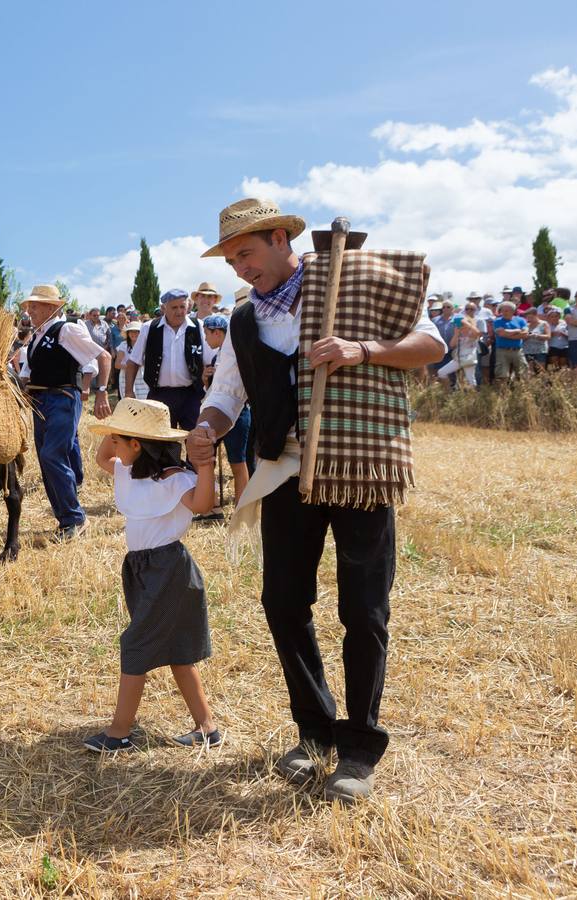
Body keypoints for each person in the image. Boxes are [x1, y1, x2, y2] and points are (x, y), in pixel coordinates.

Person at [190, 198, 445, 803]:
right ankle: (315, 732)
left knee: (364, 609)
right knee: (283, 602)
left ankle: (358, 748)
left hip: (356, 467)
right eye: (231, 260)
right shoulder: (248, 319)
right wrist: (207, 427)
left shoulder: (352, 281)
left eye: (246, 254)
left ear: (281, 238)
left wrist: (362, 350)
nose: (239, 269)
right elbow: (228, 392)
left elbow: (430, 344)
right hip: (284, 470)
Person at [83, 398, 219, 753]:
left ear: (137, 445)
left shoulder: (173, 479)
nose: (112, 444)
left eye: (118, 439)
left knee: (137, 644)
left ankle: (118, 733)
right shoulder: (129, 472)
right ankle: (207, 727)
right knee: (177, 651)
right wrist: (114, 427)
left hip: (169, 570)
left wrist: (205, 467)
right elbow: (103, 460)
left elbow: (203, 505)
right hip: (141, 569)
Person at [17, 284, 112, 540]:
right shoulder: (37, 336)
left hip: (62, 398)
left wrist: (101, 391)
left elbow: (103, 357)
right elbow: (31, 374)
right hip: (41, 401)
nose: (30, 310)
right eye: (29, 306)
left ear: (51, 307)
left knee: (52, 455)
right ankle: (65, 521)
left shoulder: (66, 329)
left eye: (34, 305)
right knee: (48, 459)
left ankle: (75, 518)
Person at [123, 289, 213, 429]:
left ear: (188, 306)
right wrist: (129, 391)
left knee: (196, 439)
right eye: (174, 307)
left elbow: (209, 361)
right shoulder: (149, 328)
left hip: (191, 395)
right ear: (164, 308)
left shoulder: (199, 326)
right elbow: (134, 361)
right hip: (159, 396)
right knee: (160, 444)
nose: (179, 311)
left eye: (182, 307)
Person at [200, 314, 249, 503]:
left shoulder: (235, 353)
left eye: (207, 334)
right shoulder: (216, 356)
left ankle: (241, 506)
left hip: (238, 412)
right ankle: (211, 503)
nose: (205, 339)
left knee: (238, 461)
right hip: (217, 411)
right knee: (210, 460)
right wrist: (206, 379)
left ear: (217, 332)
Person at [438, 306, 482, 389]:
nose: (460, 325)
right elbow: (451, 345)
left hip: (469, 359)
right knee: (441, 372)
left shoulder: (471, 333)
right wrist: (456, 333)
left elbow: (477, 333)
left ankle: (473, 398)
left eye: (462, 324)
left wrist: (467, 323)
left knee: (471, 380)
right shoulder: (458, 333)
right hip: (458, 359)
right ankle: (448, 391)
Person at [491, 301, 529, 381]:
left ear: (512, 311)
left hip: (517, 350)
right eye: (502, 310)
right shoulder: (497, 321)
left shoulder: (521, 320)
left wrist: (507, 333)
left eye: (506, 310)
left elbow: (525, 334)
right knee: (502, 375)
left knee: (522, 374)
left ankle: (521, 392)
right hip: (502, 350)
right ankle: (503, 393)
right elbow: (501, 334)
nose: (504, 312)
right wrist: (518, 330)